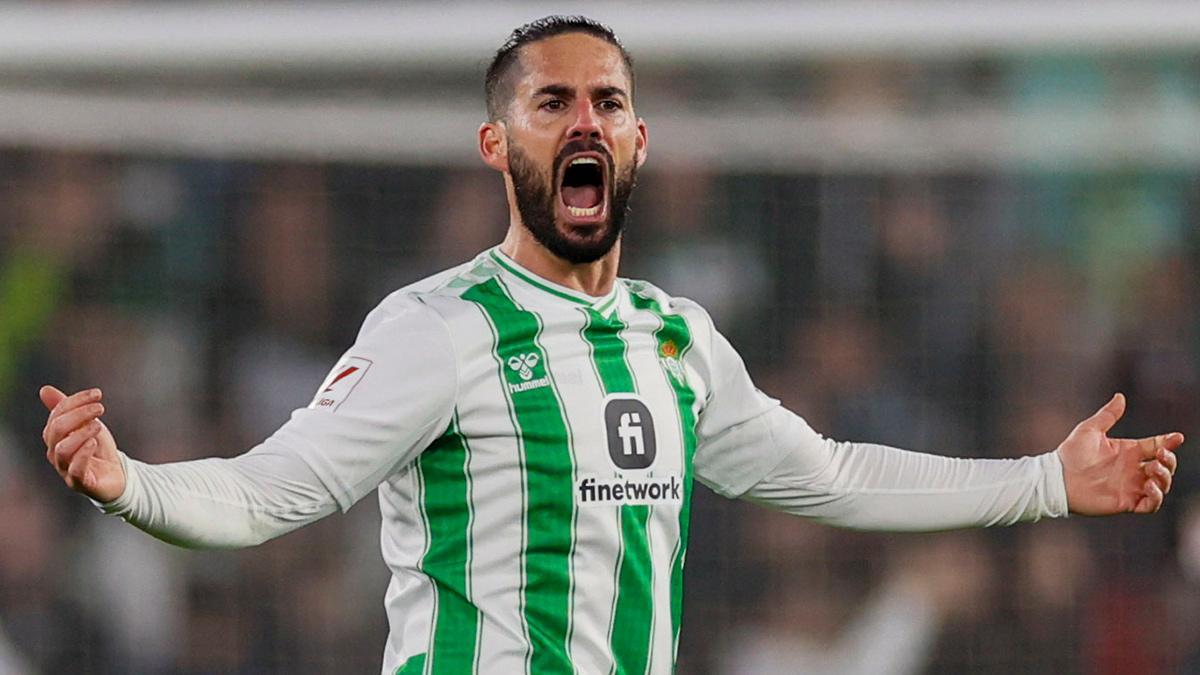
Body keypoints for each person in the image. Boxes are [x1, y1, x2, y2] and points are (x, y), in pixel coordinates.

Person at [38, 16, 1183, 675]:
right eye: (551, 103)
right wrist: (126, 482)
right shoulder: (438, 328)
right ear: (497, 142)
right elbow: (272, 492)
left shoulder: (674, 339)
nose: (584, 120)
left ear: (639, 138)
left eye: (607, 101)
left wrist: (1043, 482)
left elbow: (828, 474)